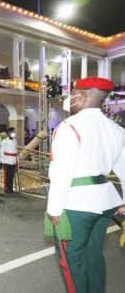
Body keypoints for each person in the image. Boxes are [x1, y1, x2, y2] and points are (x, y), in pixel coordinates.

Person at [46, 77, 125, 293]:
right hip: (105, 202)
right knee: (93, 255)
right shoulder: (116, 129)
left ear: (81, 96)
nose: (69, 98)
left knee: (72, 261)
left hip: (74, 205)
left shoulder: (69, 127)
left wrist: (53, 211)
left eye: (71, 93)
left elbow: (62, 173)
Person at [1, 127, 18, 194]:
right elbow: (2, 151)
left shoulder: (15, 141)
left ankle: (10, 188)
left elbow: (15, 151)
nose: (13, 133)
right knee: (7, 176)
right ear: (8, 134)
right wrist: (3, 161)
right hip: (7, 160)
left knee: (11, 175)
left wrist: (16, 160)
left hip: (13, 160)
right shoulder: (4, 141)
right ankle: (6, 188)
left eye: (13, 132)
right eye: (12, 132)